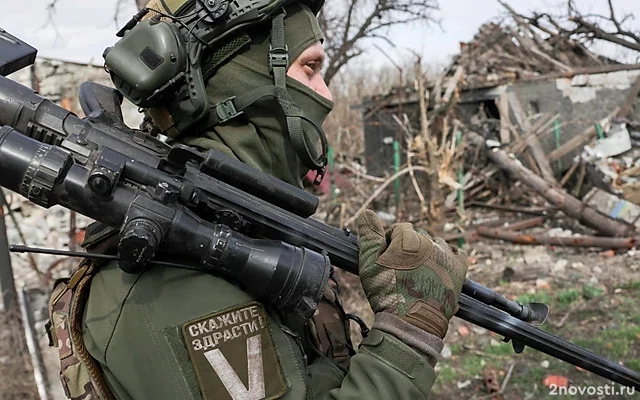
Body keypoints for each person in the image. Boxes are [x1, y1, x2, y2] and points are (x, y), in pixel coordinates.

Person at [49, 0, 469, 399]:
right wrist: (408, 336)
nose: (327, 95)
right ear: (244, 82)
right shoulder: (175, 280)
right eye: (309, 69)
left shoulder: (238, 230)